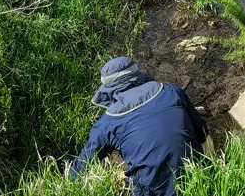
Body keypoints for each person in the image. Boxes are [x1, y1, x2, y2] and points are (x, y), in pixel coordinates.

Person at [69, 57, 208, 196]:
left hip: (151, 192)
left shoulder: (108, 122)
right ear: (137, 76)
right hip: (198, 178)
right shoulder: (171, 91)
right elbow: (202, 131)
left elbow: (82, 164)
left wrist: (64, 179)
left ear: (109, 90)